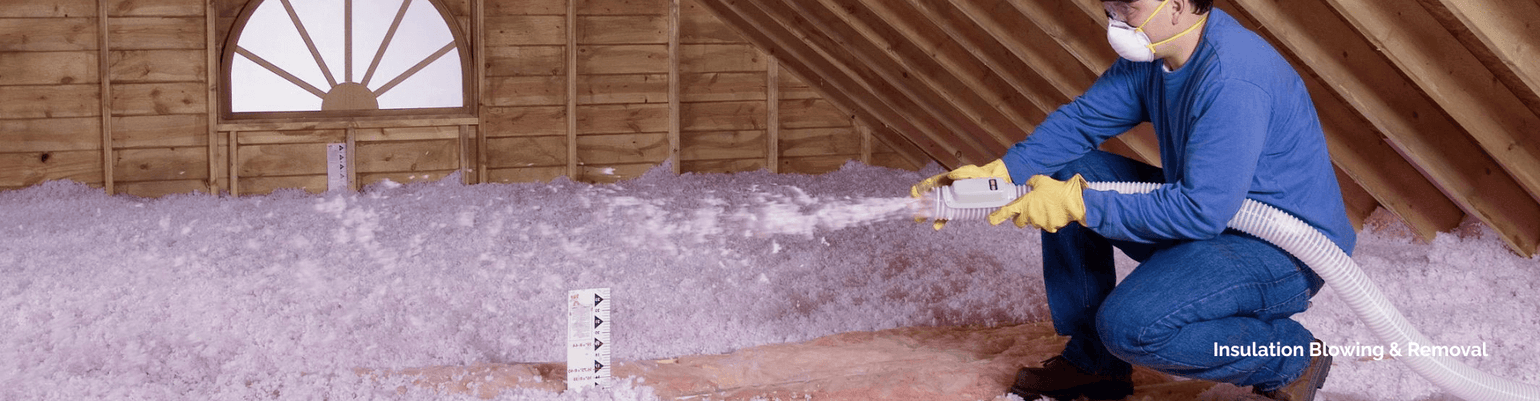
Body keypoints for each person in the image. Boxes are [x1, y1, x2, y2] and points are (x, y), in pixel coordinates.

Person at [911, 0, 1355, 400]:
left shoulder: (1232, 78)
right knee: (1069, 169)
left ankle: (1290, 357)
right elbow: (1083, 121)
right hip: (1214, 223)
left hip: (1281, 252)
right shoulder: (1158, 52)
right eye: (1110, 9)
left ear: (1178, 6)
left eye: (1128, 9)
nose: (1116, 22)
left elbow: (1200, 210)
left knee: (1131, 327)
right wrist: (1002, 173)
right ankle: (1094, 363)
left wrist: (1081, 205)